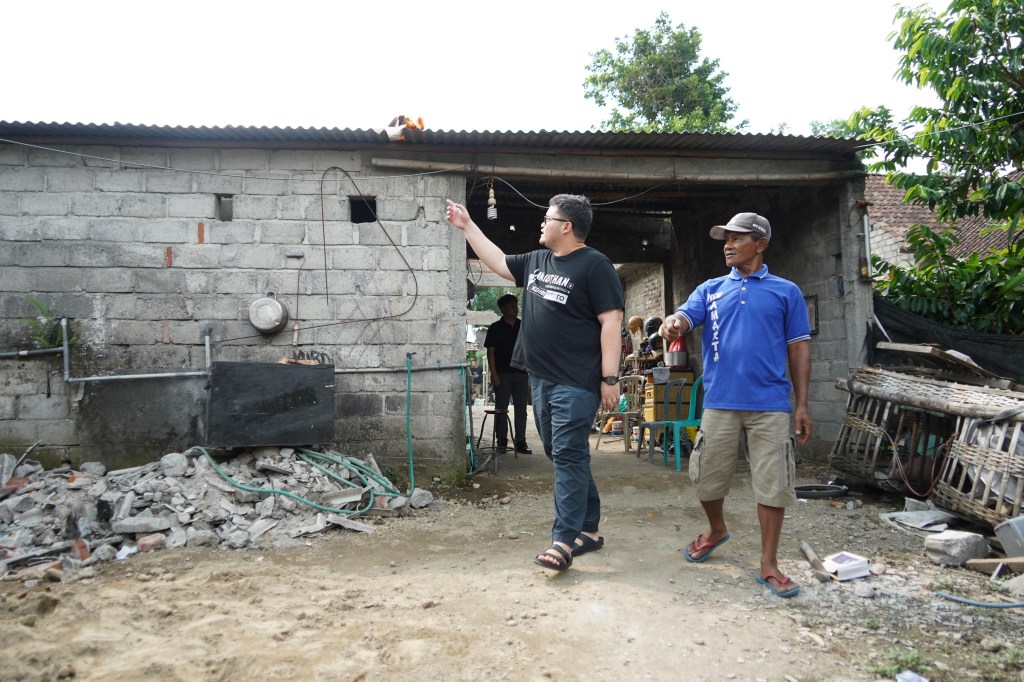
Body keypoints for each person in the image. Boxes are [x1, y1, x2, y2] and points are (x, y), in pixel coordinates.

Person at [447, 194, 624, 572]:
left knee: (569, 455)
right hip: (540, 378)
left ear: (567, 226)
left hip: (576, 381)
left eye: (548, 218)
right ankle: (589, 531)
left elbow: (611, 321)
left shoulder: (595, 265)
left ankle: (564, 540)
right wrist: (466, 226)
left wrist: (611, 377)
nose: (541, 224)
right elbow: (495, 259)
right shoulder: (536, 260)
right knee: (564, 453)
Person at [659, 211, 811, 599]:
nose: (727, 245)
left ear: (760, 244)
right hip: (721, 403)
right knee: (707, 478)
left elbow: (799, 349)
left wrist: (802, 405)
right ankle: (716, 529)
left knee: (773, 485)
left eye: (737, 238)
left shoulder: (786, 292)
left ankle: (769, 564)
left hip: (771, 406)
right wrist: (673, 322)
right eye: (725, 239)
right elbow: (684, 316)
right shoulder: (710, 289)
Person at [484, 294, 532, 454]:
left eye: (516, 305)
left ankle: (520, 442)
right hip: (502, 374)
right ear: (503, 308)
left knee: (521, 409)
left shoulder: (523, 326)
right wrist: (494, 374)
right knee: (501, 409)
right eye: (511, 305)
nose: (515, 308)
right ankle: (502, 441)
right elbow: (491, 352)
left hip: (521, 373)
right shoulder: (495, 328)